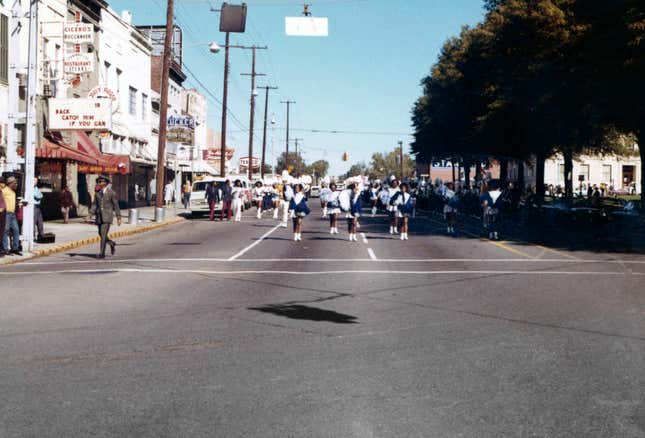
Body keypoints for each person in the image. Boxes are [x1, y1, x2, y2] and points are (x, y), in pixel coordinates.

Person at [90, 176, 122, 259]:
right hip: (99, 216)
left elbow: (116, 206)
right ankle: (111, 243)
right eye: (99, 181)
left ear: (106, 183)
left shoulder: (111, 193)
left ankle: (102, 253)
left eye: (101, 181)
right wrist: (90, 214)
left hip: (107, 217)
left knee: (103, 234)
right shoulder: (97, 193)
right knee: (100, 233)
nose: (100, 183)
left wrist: (119, 217)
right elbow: (94, 205)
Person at [2, 176, 21, 256]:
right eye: (15, 183)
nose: (16, 184)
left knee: (16, 230)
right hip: (6, 214)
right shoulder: (4, 191)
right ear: (11, 183)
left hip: (13, 214)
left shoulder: (13, 192)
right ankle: (5, 249)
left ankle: (15, 248)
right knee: (5, 231)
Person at [0, 177, 6, 258]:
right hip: (1, 213)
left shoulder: (1, 191)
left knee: (1, 232)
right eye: (1, 183)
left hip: (3, 213)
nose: (3, 184)